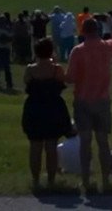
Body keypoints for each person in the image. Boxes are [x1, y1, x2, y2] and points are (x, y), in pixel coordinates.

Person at [66, 19, 112, 192]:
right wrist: (111, 25)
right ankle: (105, 179)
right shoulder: (107, 46)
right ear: (98, 30)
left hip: (82, 100)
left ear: (83, 31)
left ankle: (86, 179)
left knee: (85, 142)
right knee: (103, 142)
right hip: (102, 100)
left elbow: (71, 78)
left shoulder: (78, 51)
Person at [22, 38, 72, 188]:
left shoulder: (30, 70)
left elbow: (26, 83)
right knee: (51, 146)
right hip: (53, 109)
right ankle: (51, 180)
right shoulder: (57, 69)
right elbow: (63, 82)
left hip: (34, 108)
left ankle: (36, 180)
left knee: (35, 146)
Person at [0, 16, 13, 90]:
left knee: (6, 66)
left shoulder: (8, 28)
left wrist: (5, 39)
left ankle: (9, 83)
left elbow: (11, 38)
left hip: (5, 48)